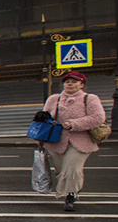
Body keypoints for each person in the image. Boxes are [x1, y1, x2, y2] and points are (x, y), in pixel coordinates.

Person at [41, 70, 105, 211]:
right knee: (60, 170)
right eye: (67, 81)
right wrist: (39, 135)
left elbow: (98, 118)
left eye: (74, 81)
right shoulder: (54, 99)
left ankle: (70, 196)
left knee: (72, 169)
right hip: (55, 141)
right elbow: (44, 118)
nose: (70, 84)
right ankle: (74, 188)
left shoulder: (89, 99)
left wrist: (73, 124)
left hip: (81, 141)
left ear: (81, 84)